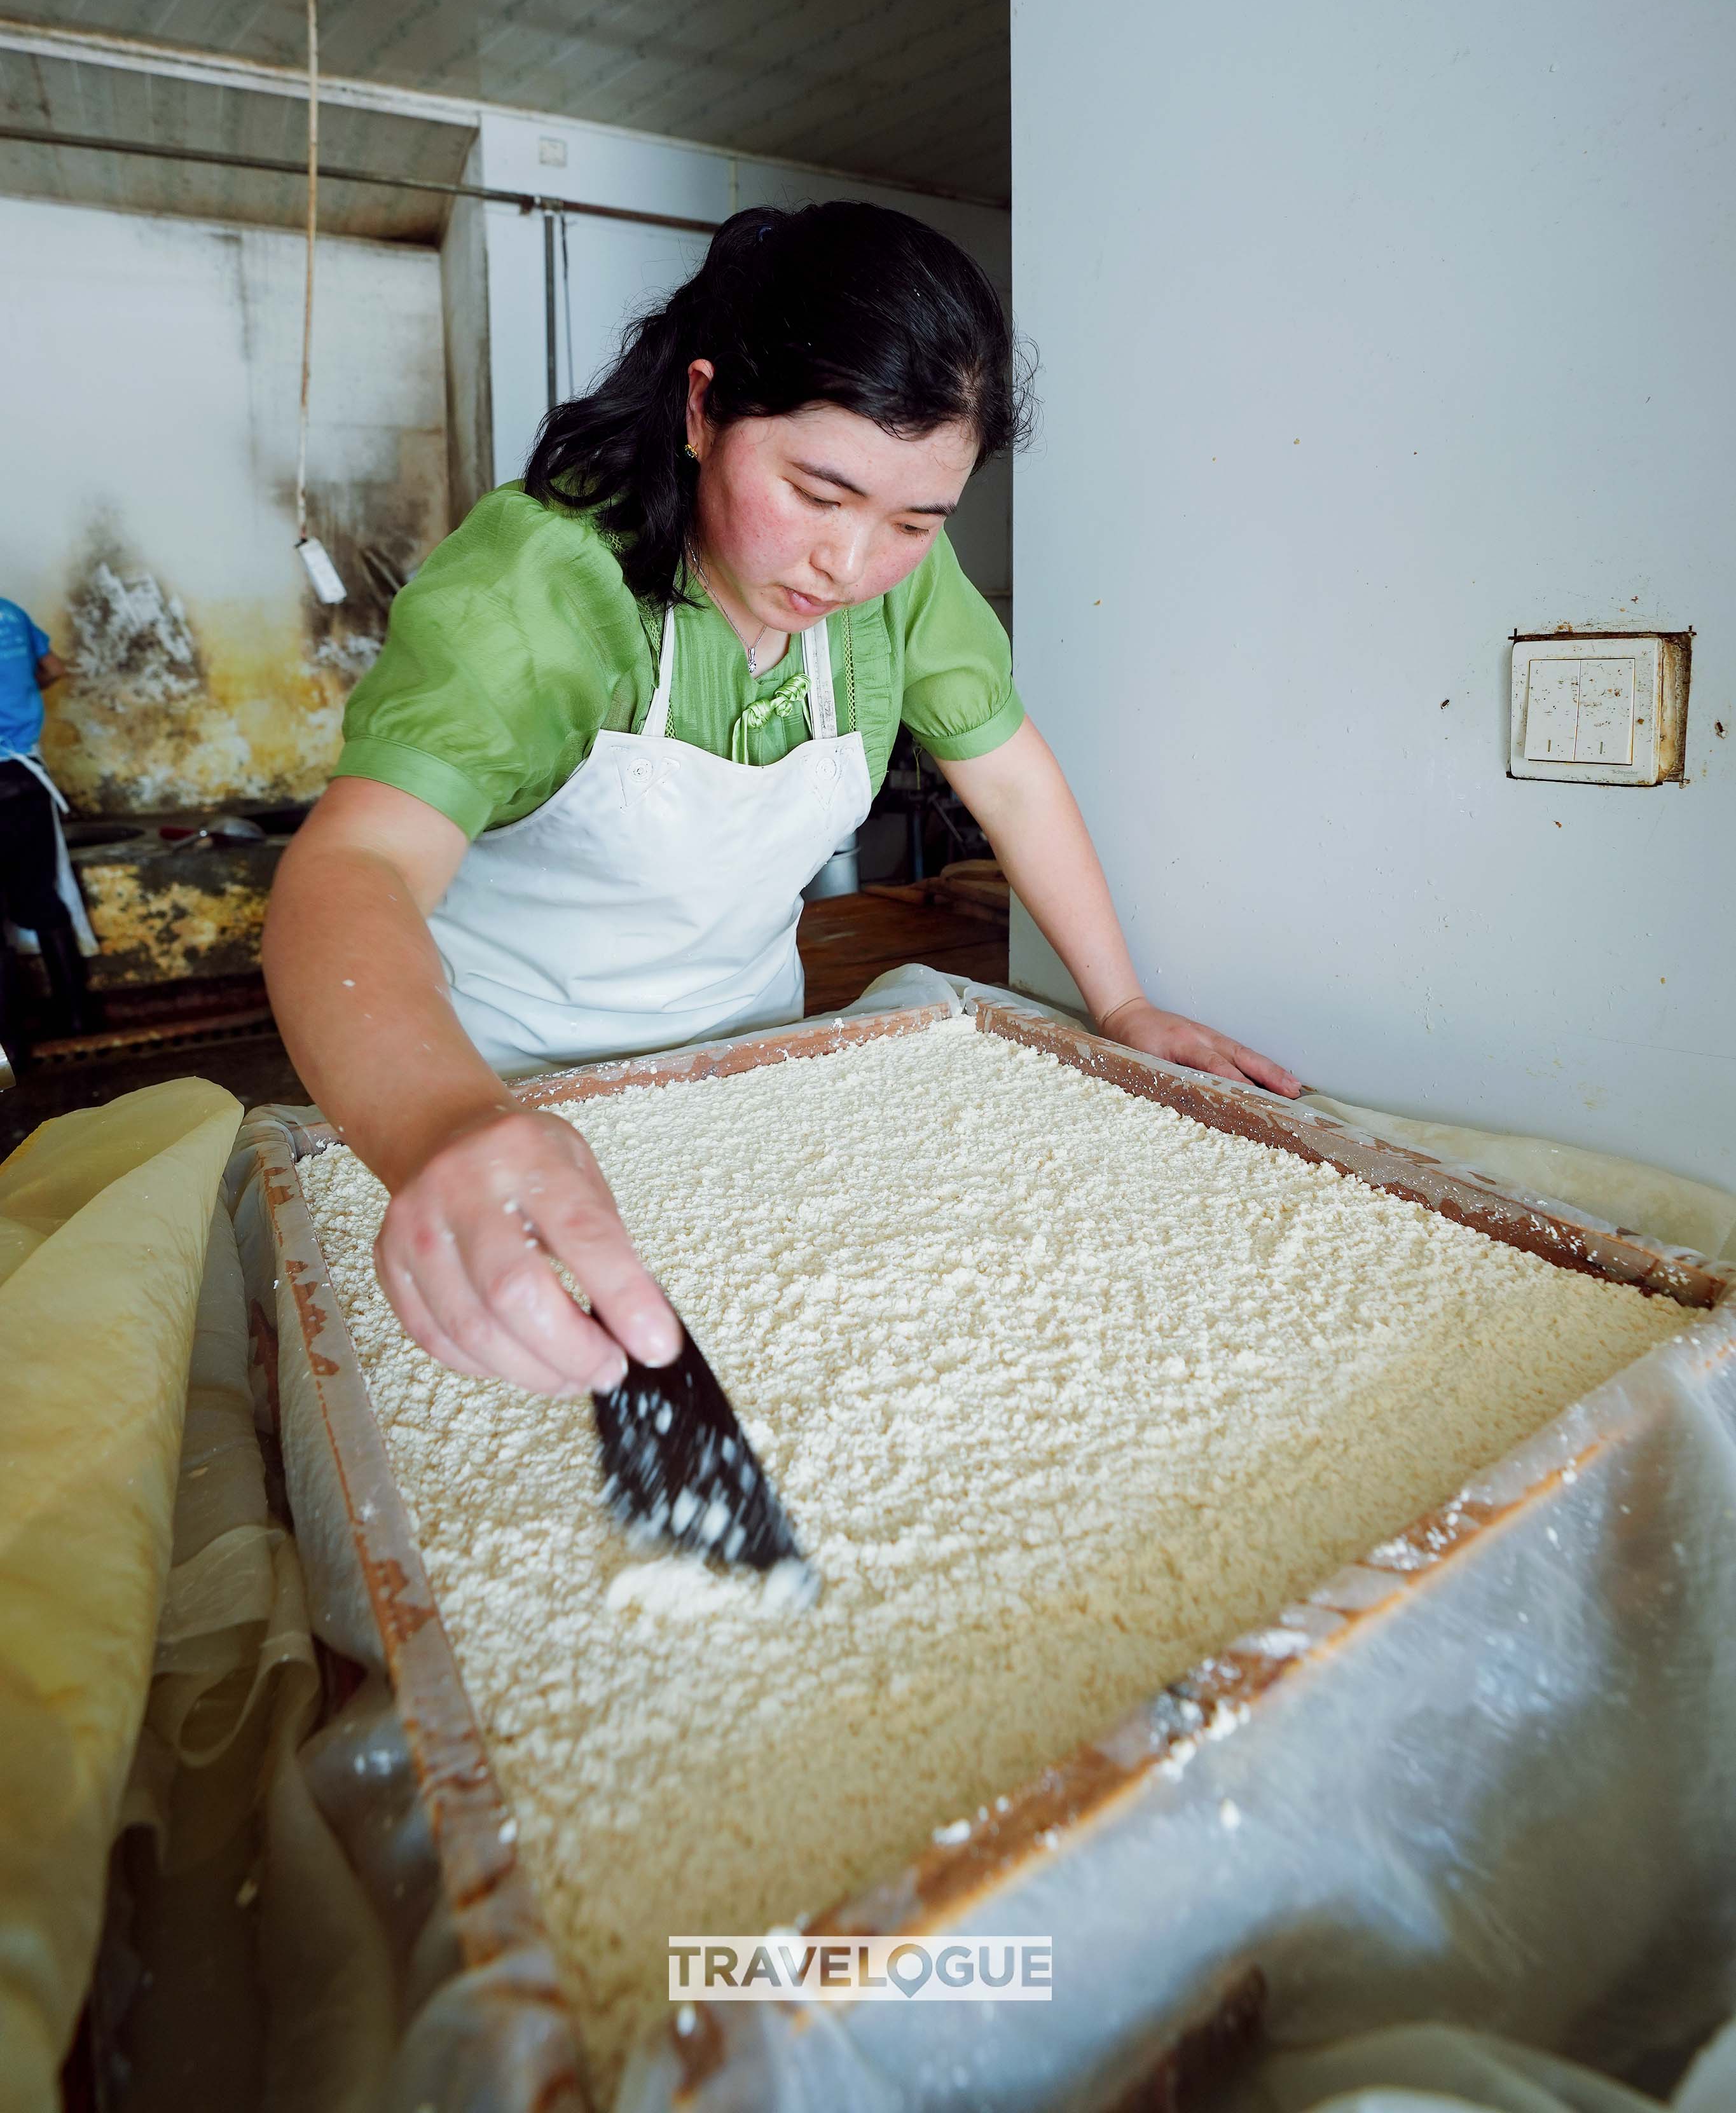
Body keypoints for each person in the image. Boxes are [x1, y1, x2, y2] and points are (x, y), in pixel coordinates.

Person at [265, 204, 1301, 1400]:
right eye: (817, 492)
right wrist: (441, 1126)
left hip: (748, 1075)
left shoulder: (898, 592)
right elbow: (355, 874)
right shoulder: (543, 580)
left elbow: (1011, 777)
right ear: (704, 409)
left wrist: (1120, 1005)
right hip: (488, 1089)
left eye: (916, 521)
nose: (850, 568)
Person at [0, 596, 95, 1056]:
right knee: (41, 897)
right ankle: (76, 1019)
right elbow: (54, 669)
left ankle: (11, 1046)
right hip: (25, 779)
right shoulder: (11, 612)